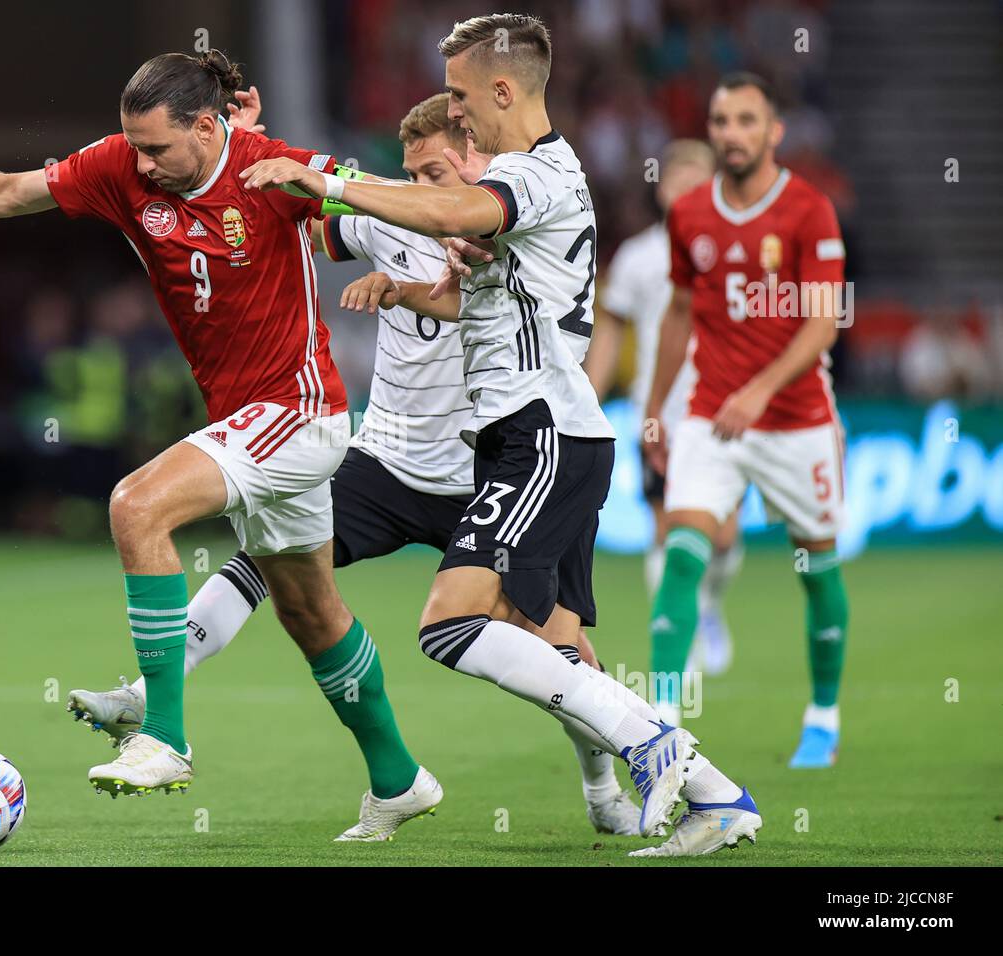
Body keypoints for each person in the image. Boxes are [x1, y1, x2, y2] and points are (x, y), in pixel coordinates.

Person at [0, 51, 442, 841]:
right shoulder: (123, 167)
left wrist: (444, 242)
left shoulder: (274, 170)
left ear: (206, 125)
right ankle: (399, 779)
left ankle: (163, 735)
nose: (141, 162)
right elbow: (8, 191)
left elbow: (389, 206)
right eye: (133, 145)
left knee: (136, 504)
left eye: (156, 147)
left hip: (299, 408)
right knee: (310, 611)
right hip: (244, 417)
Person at [239, 13, 760, 855]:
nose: (455, 110)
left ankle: (652, 747)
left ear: (503, 90)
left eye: (458, 94)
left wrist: (327, 182)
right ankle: (713, 792)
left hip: (544, 436)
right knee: (548, 637)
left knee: (451, 625)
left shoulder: (537, 176)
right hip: (530, 440)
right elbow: (474, 245)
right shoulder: (527, 183)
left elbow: (457, 205)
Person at [71, 90, 642, 836]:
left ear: (476, 158)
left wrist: (405, 290)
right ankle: (157, 692)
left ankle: (604, 790)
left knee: (559, 646)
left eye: (434, 170)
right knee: (269, 563)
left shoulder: (515, 219)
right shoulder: (384, 212)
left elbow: (478, 301)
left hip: (499, 469)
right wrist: (238, 155)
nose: (418, 185)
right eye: (410, 172)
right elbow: (272, 231)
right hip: (388, 455)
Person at [643, 72, 850, 769]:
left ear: (773, 131)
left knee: (817, 569)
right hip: (711, 417)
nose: (731, 133)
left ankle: (822, 715)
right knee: (680, 550)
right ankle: (664, 728)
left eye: (745, 121)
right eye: (721, 120)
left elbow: (824, 324)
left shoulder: (809, 211)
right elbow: (678, 314)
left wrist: (761, 391)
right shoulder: (690, 214)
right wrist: (654, 407)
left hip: (795, 419)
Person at [584, 139, 743, 679]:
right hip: (658, 413)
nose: (687, 188)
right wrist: (587, 398)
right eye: (678, 179)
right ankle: (683, 635)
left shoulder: (738, 251)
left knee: (722, 536)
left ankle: (710, 606)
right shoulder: (637, 258)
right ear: (662, 187)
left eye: (699, 178)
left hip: (727, 410)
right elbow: (610, 333)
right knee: (667, 528)